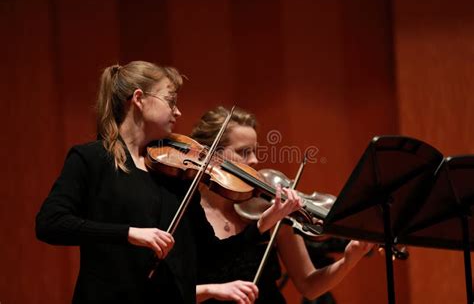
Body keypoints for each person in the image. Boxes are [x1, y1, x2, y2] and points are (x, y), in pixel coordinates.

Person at [35, 61, 302, 304]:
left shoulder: (175, 176)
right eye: (170, 101)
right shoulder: (92, 159)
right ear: (138, 99)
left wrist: (266, 221)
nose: (178, 111)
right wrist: (130, 233)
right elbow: (50, 223)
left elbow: (211, 254)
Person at [191, 106, 374, 303]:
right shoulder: (185, 213)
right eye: (243, 152)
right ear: (211, 154)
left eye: (254, 151)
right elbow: (170, 292)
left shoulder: (269, 208)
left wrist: (348, 260)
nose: (254, 160)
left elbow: (310, 286)